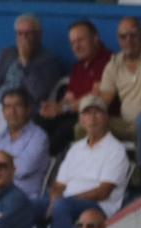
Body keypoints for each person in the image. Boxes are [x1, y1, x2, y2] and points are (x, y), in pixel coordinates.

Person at [46, 96, 130, 228]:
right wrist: (53, 200)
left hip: (99, 206)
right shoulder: (75, 148)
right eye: (87, 113)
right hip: (66, 201)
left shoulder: (116, 149)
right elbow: (59, 185)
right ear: (81, 120)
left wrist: (63, 200)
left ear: (106, 117)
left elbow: (103, 192)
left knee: (61, 206)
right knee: (27, 205)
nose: (92, 118)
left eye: (97, 112)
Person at [91, 17, 141, 148]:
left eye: (133, 35)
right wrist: (91, 108)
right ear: (118, 40)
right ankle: (89, 167)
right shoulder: (113, 63)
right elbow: (105, 98)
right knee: (84, 126)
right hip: (126, 124)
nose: (128, 40)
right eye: (123, 36)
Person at [37, 20, 113, 155]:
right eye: (73, 43)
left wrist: (63, 108)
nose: (76, 46)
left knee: (60, 134)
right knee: (38, 123)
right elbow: (68, 98)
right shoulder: (78, 66)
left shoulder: (108, 60)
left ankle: (50, 170)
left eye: (81, 40)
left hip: (95, 115)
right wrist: (54, 107)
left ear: (95, 38)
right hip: (73, 114)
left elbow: (95, 95)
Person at [0, 88, 49, 199]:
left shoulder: (38, 137)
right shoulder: (0, 138)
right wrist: (11, 158)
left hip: (21, 199)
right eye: (8, 107)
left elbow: (23, 168)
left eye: (17, 106)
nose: (12, 112)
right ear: (3, 112)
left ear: (27, 109)